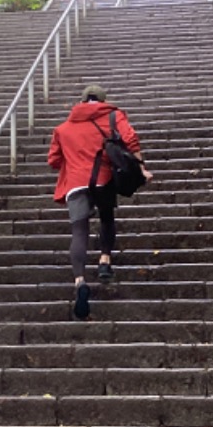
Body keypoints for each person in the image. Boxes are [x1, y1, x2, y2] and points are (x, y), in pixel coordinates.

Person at [47, 83, 152, 321]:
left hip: (75, 182)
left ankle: (80, 281)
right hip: (103, 179)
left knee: (79, 230)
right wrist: (142, 167)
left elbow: (53, 160)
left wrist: (74, 157)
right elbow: (131, 139)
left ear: (82, 102)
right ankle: (105, 260)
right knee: (106, 218)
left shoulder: (62, 129)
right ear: (103, 101)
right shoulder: (113, 116)